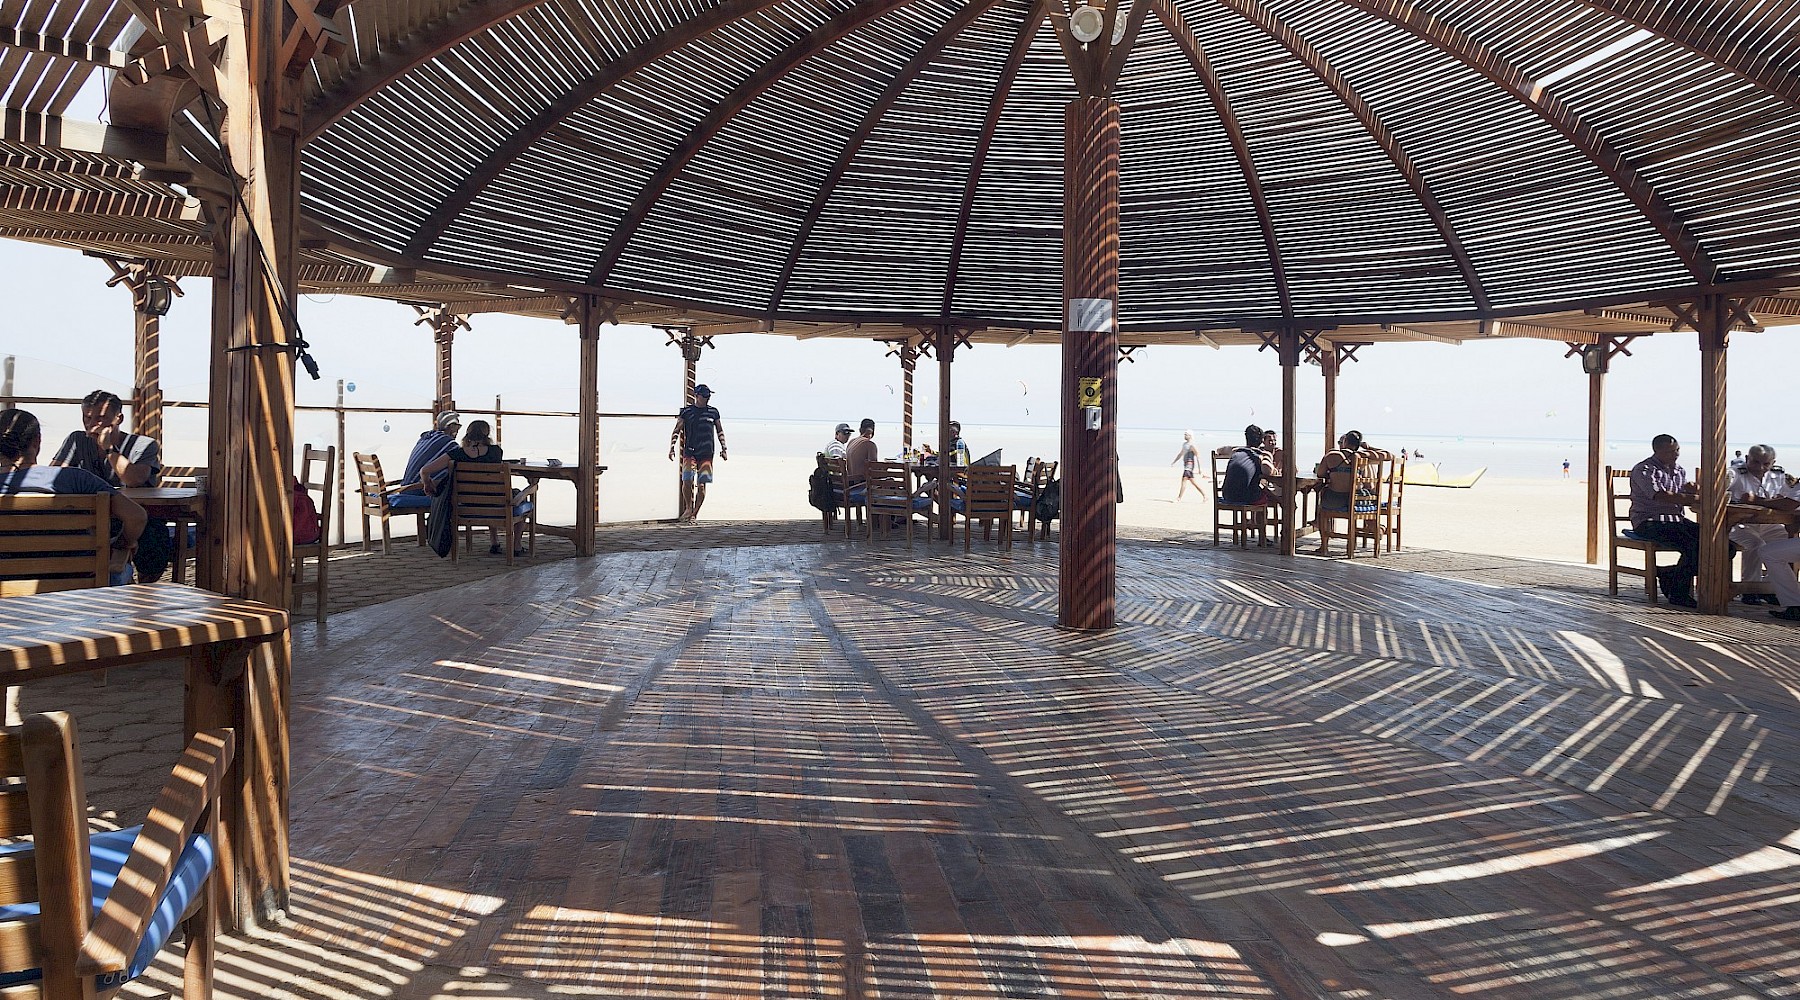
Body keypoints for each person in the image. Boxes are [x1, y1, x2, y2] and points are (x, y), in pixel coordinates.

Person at [2, 408, 146, 586]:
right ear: (37, 441)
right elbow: (137, 517)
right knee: (120, 569)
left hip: (7, 585)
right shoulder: (76, 479)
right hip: (80, 583)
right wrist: (121, 544)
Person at [50, 390, 168, 581]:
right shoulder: (77, 440)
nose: (92, 424)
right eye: (87, 418)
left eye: (100, 418)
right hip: (90, 518)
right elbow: (55, 475)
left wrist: (108, 449)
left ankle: (146, 587)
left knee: (155, 535)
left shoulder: (144, 445)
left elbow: (134, 479)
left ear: (118, 418)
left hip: (134, 517)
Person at [418, 420, 530, 556]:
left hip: (466, 506)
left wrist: (427, 484)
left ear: (467, 435)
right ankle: (516, 546)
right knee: (518, 496)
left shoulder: (456, 454)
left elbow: (424, 471)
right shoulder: (496, 452)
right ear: (487, 435)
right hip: (496, 504)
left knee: (486, 496)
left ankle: (495, 543)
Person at [1629, 434, 1702, 608]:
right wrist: (1690, 498)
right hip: (1649, 521)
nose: (1675, 454)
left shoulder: (1679, 470)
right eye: (1670, 451)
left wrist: (1694, 490)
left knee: (1719, 542)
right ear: (1657, 451)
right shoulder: (1645, 469)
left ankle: (1669, 573)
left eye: (1677, 450)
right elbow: (1660, 495)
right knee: (1694, 545)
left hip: (1676, 520)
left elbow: (1683, 492)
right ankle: (1679, 594)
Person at [1731, 445, 1799, 606]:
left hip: (1768, 523)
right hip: (1738, 523)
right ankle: (1750, 589)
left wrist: (1759, 501)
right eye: (1755, 462)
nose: (1760, 467)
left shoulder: (1778, 475)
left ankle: (1771, 588)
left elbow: (1786, 501)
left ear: (1773, 463)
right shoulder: (1735, 473)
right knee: (1756, 544)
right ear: (1747, 459)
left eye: (1766, 464)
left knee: (1784, 540)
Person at [1313, 429, 1391, 553]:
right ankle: (1375, 527)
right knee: (1364, 494)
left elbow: (1320, 474)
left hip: (1336, 500)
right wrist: (1369, 447)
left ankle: (1324, 544)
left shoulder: (1332, 455)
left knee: (1323, 497)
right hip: (1355, 501)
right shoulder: (1362, 456)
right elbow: (1389, 455)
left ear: (1345, 441)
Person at [668, 384, 727, 522]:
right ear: (697, 396)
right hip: (690, 451)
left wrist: (724, 448)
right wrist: (672, 447)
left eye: (709, 396)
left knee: (701, 484)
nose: (707, 398)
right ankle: (688, 507)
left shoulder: (713, 412)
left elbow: (719, 430)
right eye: (704, 395)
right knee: (687, 480)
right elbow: (677, 429)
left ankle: (695, 513)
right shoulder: (687, 412)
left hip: (707, 453)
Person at [402, 410, 461, 494]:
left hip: (404, 490)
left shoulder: (425, 438)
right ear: (451, 427)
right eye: (457, 427)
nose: (458, 431)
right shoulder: (450, 444)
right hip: (420, 493)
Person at [1222, 425, 1276, 508]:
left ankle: (1250, 517)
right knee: (1267, 497)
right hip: (1246, 497)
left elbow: (1220, 450)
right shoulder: (1260, 455)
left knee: (1257, 490)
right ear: (1262, 441)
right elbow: (1268, 471)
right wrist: (1268, 457)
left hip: (1227, 495)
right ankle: (1258, 518)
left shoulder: (1237, 452)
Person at [1170, 431, 1203, 500]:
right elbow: (1181, 454)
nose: (1184, 436)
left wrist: (1200, 469)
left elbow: (1198, 456)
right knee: (1193, 482)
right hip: (1185, 465)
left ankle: (1179, 498)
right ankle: (1205, 495)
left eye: (1186, 435)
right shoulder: (1184, 444)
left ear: (1190, 436)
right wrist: (1174, 462)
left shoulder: (1192, 445)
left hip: (1189, 465)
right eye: (1184, 434)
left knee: (1184, 479)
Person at [845, 417, 878, 485]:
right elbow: (873, 468)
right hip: (862, 484)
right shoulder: (870, 444)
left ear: (860, 430)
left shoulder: (851, 441)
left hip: (851, 483)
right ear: (872, 431)